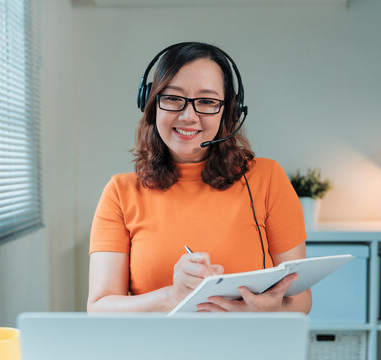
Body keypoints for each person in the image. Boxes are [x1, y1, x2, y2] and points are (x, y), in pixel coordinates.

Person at [87, 42, 311, 313]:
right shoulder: (120, 193)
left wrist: (260, 311)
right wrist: (173, 296)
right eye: (172, 98)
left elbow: (300, 301)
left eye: (206, 101)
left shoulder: (268, 179)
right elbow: (100, 308)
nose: (188, 116)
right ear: (152, 103)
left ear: (229, 110)